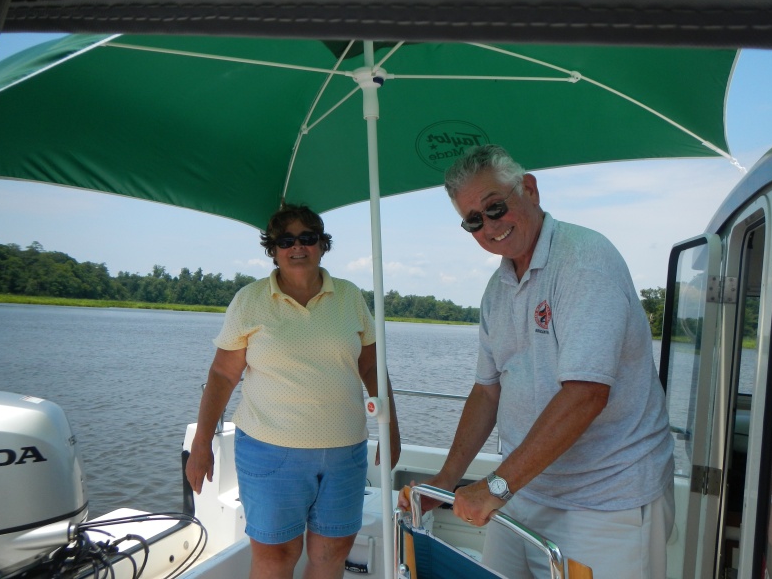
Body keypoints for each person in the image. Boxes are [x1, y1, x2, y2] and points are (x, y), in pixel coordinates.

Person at [400, 145, 674, 578]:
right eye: (473, 220)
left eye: (495, 207)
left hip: (604, 502)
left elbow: (586, 393)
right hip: (524, 490)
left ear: (529, 189)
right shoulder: (497, 289)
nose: (489, 226)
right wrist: (448, 478)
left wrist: (496, 485)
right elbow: (487, 390)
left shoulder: (584, 262)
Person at [186, 203, 401, 579]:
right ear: (273, 249)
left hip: (344, 452)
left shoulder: (350, 297)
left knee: (332, 552)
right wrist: (202, 443)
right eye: (285, 240)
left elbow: (371, 366)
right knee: (276, 556)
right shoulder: (250, 300)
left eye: (307, 238)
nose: (297, 247)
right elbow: (222, 374)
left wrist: (392, 430)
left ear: (322, 244)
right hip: (270, 453)